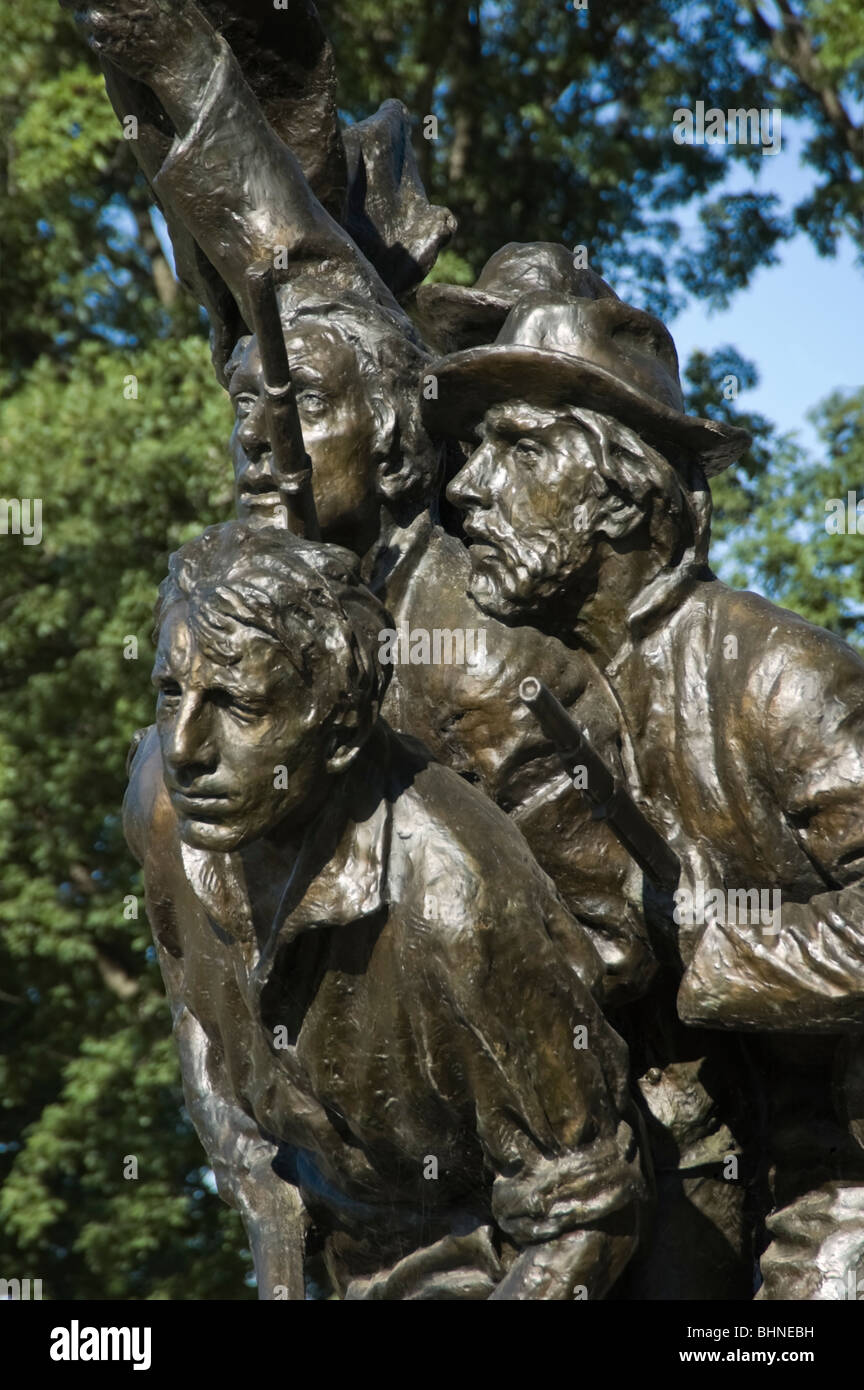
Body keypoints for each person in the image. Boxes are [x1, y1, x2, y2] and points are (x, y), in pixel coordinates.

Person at [425, 285, 864, 1299]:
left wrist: (705, 941)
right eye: (475, 452)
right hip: (676, 1170)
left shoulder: (777, 675)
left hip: (837, 1175)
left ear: (620, 495)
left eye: (519, 452)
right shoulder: (533, 701)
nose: (469, 489)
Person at [124, 520, 648, 1299]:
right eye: (173, 694)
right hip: (326, 1247)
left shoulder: (455, 901)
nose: (187, 746)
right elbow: (199, 1012)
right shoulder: (167, 813)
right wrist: (264, 1201)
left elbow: (586, 1211)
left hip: (474, 1255)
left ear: (339, 728)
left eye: (237, 704)